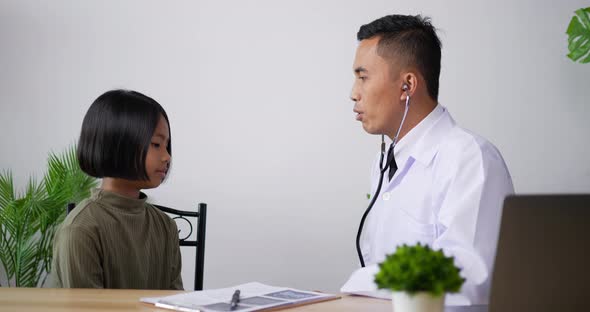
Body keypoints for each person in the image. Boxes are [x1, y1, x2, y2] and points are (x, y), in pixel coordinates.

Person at [340, 14, 514, 305]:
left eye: (363, 77)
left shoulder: (470, 158)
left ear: (407, 86)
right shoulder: (385, 164)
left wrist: (359, 281)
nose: (353, 94)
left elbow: (468, 279)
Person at [47, 89, 183, 289]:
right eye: (156, 144)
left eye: (166, 146)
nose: (167, 157)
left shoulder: (165, 226)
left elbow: (174, 300)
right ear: (117, 145)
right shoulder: (82, 229)